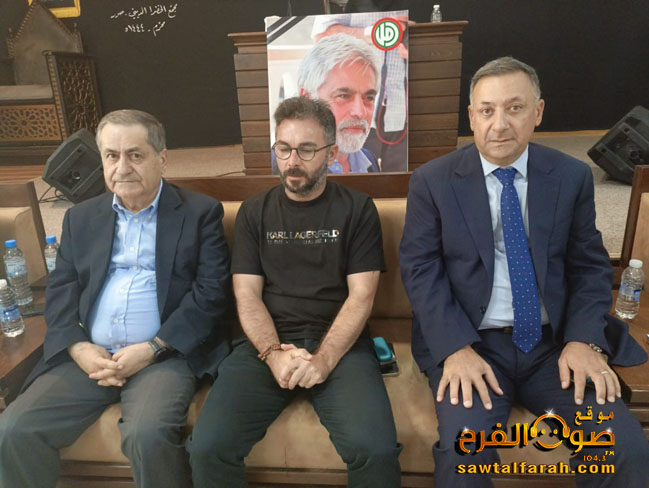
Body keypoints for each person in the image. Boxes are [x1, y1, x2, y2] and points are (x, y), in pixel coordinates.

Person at [399, 57, 649, 487]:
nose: (499, 124)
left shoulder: (570, 176)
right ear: (472, 117)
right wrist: (455, 348)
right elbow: (421, 270)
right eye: (487, 110)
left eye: (514, 108)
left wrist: (583, 339)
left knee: (623, 450)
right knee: (463, 455)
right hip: (473, 343)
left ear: (538, 112)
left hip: (554, 346)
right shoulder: (433, 182)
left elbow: (589, 266)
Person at [0, 110, 231, 488]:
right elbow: (61, 289)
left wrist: (153, 348)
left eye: (135, 155)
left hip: (163, 357)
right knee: (13, 429)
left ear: (162, 159)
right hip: (90, 357)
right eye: (111, 155)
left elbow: (210, 294)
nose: (122, 167)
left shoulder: (199, 213)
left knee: (148, 435)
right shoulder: (80, 218)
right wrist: (78, 348)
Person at [188, 96, 402, 487]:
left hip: (340, 346)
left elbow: (361, 296)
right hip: (266, 345)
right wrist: (272, 354)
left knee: (376, 450)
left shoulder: (357, 210)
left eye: (306, 150)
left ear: (332, 153)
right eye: (283, 149)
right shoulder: (254, 212)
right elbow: (247, 295)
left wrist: (323, 360)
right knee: (207, 447)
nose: (292, 161)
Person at [311, 9, 409, 173]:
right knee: (358, 179)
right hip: (358, 117)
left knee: (398, 183)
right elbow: (321, 35)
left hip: (401, 114)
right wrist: (373, 33)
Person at [296, 33, 383, 173]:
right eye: (343, 96)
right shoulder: (283, 167)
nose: (360, 112)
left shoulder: (369, 160)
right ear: (307, 101)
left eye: (369, 98)